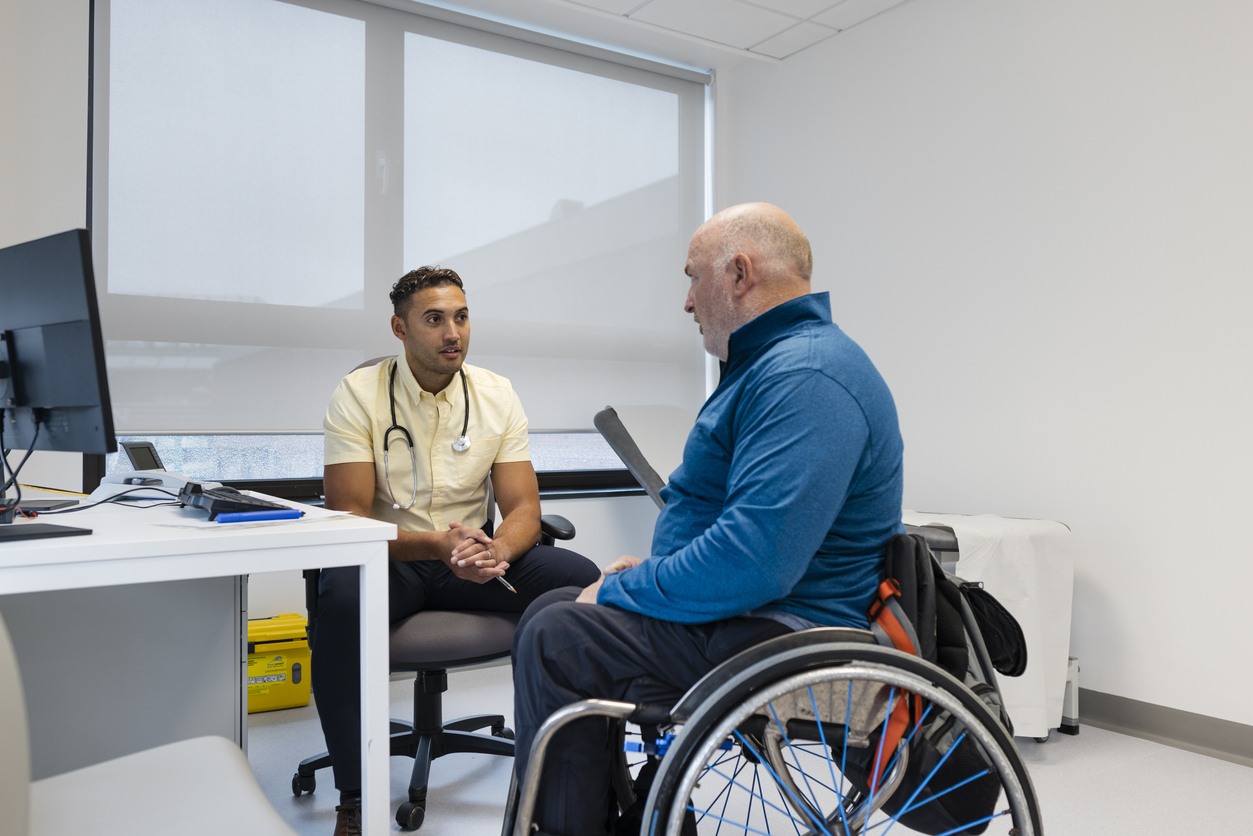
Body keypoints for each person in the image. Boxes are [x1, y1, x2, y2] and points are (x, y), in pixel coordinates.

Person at [511, 203, 906, 836]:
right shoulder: (775, 363)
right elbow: (739, 525)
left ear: (740, 274)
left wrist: (621, 588)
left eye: (694, 278)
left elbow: (755, 561)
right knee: (552, 607)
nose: (688, 303)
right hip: (754, 615)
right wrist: (656, 571)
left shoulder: (805, 376)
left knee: (560, 634)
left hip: (783, 632)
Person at [313, 267, 600, 836]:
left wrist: (495, 551)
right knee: (339, 600)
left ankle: (558, 773)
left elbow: (523, 508)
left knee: (582, 580)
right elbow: (348, 516)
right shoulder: (359, 393)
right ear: (400, 328)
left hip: (468, 558)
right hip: (391, 557)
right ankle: (354, 795)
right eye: (435, 319)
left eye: (462, 317)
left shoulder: (496, 394)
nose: (453, 333)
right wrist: (435, 545)